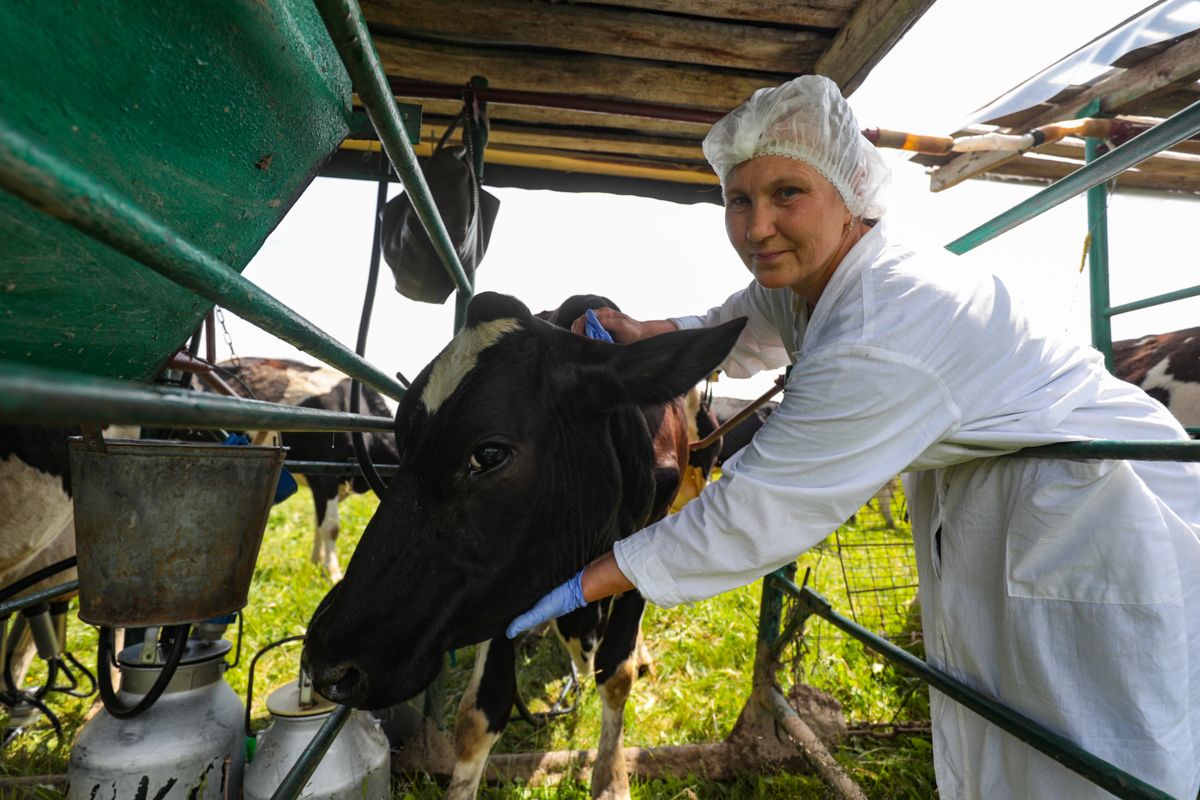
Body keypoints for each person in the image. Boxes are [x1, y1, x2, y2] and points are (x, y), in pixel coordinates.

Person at [506, 74, 1200, 799]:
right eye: (739, 199)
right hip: (1007, 497)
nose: (756, 226)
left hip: (1101, 512)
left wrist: (576, 581)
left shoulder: (882, 324)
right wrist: (648, 332)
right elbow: (748, 321)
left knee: (1097, 756)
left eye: (786, 195)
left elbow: (752, 512)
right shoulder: (817, 273)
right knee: (1016, 740)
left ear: (850, 192)